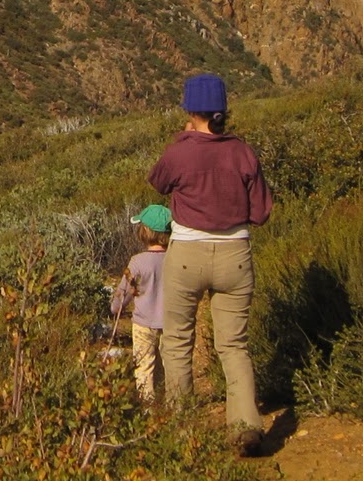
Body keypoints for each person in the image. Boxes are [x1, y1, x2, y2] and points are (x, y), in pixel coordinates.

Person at [148, 72, 272, 457]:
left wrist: (183, 140)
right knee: (233, 345)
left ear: (190, 110)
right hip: (236, 256)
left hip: (187, 255)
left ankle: (183, 431)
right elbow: (261, 213)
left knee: (177, 341)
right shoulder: (243, 152)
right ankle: (246, 427)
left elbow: (158, 182)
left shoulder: (180, 152)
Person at [110, 203, 172, 402]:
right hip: (171, 323)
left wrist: (116, 307)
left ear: (144, 231)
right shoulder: (175, 258)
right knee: (168, 367)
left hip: (143, 324)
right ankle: (169, 405)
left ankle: (148, 407)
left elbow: (124, 291)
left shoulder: (137, 261)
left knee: (144, 367)